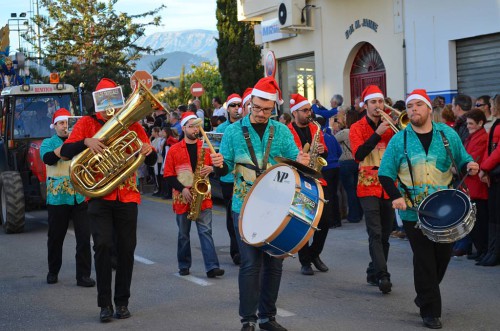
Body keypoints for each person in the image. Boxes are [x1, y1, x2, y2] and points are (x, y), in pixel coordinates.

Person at [378, 89, 478, 329]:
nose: (413, 110)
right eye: (410, 106)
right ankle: (431, 312)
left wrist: (470, 164)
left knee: (441, 258)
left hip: (445, 208)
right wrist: (396, 198)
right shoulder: (399, 139)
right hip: (414, 211)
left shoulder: (447, 134)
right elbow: (384, 173)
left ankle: (424, 294)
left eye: (418, 106)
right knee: (424, 259)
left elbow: (462, 158)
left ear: (428, 109)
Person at [60, 78, 157, 323]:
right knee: (102, 246)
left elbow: (152, 161)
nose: (109, 106)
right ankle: (104, 304)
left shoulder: (132, 125)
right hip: (98, 196)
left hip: (127, 195)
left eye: (113, 100)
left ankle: (122, 302)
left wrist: (150, 151)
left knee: (126, 250)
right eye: (104, 100)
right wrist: (86, 142)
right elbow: (66, 152)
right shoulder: (86, 123)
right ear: (97, 102)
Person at [219, 77, 310, 331]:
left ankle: (267, 317)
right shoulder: (232, 132)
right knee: (250, 263)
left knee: (274, 263)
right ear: (249, 104)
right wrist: (219, 164)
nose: (260, 114)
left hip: (275, 205)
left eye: (266, 110)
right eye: (256, 108)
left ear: (274, 109)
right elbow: (227, 170)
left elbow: (293, 160)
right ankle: (247, 319)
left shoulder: (281, 131)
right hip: (243, 204)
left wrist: (301, 159)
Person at [164, 112, 226, 278]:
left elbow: (221, 166)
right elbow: (168, 175)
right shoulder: (174, 150)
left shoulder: (206, 147)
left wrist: (212, 168)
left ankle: (212, 267)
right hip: (182, 197)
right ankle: (184, 265)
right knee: (183, 235)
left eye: (197, 125)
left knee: (206, 232)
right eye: (191, 125)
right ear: (183, 128)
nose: (195, 129)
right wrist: (182, 188)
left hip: (202, 197)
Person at [40, 108, 95, 288]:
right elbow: (48, 158)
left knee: (84, 238)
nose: (64, 127)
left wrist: (78, 142)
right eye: (61, 123)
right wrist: (66, 146)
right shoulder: (48, 143)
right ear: (54, 126)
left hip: (79, 196)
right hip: (58, 198)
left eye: (67, 123)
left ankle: (83, 276)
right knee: (56, 237)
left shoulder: (79, 142)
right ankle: (53, 271)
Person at [349, 85, 395, 294]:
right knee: (375, 233)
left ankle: (373, 270)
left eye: (380, 102)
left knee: (385, 234)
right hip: (367, 186)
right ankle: (383, 276)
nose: (378, 106)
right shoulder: (357, 127)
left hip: (388, 186)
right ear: (365, 105)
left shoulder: (391, 126)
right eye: (373, 102)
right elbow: (359, 154)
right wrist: (378, 133)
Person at [287, 93, 330, 275]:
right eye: (305, 110)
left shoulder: (315, 128)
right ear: (295, 112)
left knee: (326, 221)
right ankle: (305, 261)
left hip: (317, 179)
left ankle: (315, 253)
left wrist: (321, 150)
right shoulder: (286, 131)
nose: (309, 113)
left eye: (309, 110)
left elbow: (325, 154)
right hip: (298, 180)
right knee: (303, 220)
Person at [216, 93, 242, 265]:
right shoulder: (221, 129)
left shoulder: (245, 126)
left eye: (239, 105)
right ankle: (236, 251)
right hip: (227, 178)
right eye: (233, 105)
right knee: (232, 215)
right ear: (228, 109)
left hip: (244, 177)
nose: (236, 108)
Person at [461, 109, 489, 260]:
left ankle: (483, 250)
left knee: (479, 222)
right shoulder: (473, 137)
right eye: (467, 123)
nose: (468, 126)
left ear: (480, 123)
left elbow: (474, 159)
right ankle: (480, 250)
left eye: (471, 124)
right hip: (471, 185)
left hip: (477, 186)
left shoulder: (481, 138)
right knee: (474, 222)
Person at [478, 94, 500, 266]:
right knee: (493, 215)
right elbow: (489, 150)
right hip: (493, 175)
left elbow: (497, 152)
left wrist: (484, 168)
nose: (491, 107)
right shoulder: (495, 125)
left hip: (496, 174)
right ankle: (492, 250)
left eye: (493, 104)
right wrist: (484, 168)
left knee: (495, 216)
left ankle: (494, 252)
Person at [335, 109, 364, 223]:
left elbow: (333, 140)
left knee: (350, 191)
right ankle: (359, 213)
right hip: (356, 162)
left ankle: (353, 215)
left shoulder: (345, 132)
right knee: (356, 190)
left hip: (346, 162)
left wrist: (335, 126)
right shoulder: (359, 130)